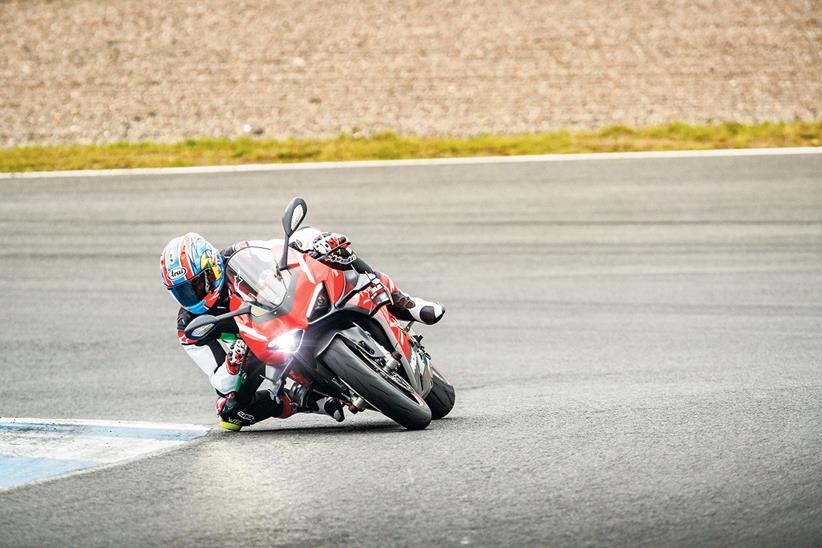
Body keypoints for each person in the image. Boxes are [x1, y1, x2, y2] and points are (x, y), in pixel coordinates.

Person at [160, 228, 444, 431]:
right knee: (230, 414)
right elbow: (219, 382)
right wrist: (233, 365)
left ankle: (407, 303)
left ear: (212, 265)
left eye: (198, 284)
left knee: (313, 238)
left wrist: (318, 246)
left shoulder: (237, 255)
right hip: (255, 346)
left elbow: (280, 251)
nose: (194, 295)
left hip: (284, 310)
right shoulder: (190, 326)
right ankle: (308, 400)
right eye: (183, 292)